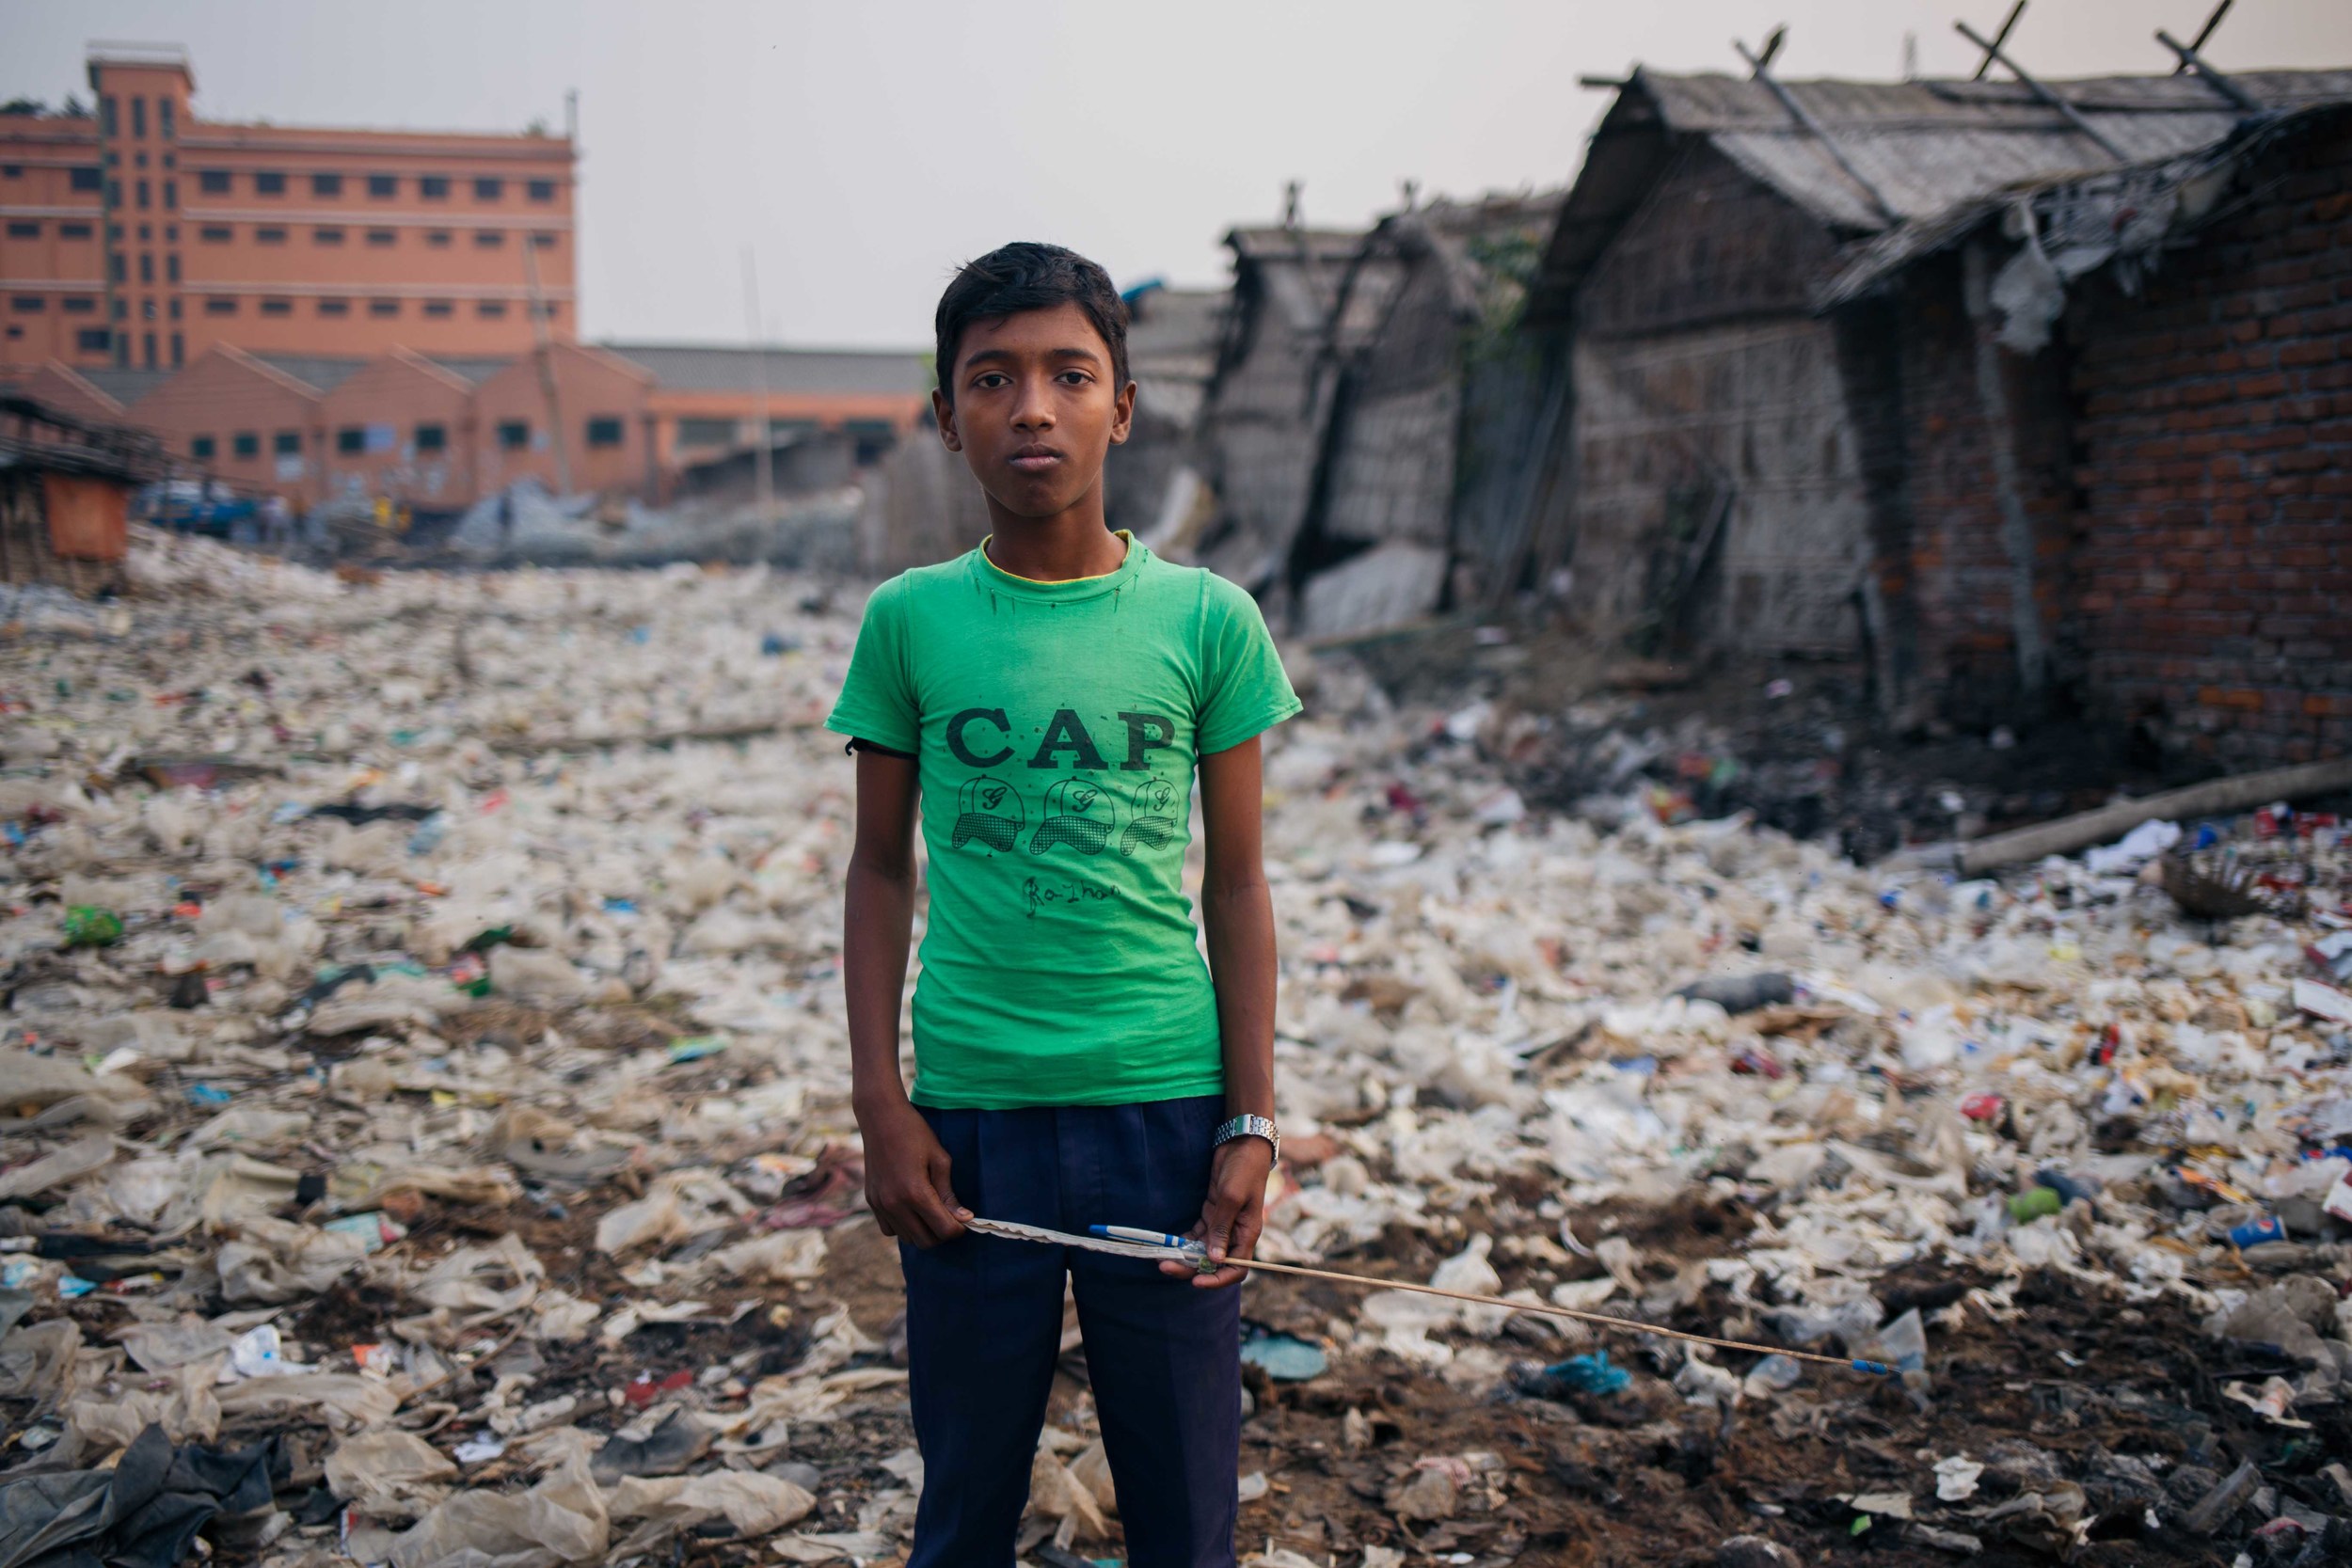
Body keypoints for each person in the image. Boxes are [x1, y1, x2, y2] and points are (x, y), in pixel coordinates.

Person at [826, 243, 1298, 1566]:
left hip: (1164, 1109)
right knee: (967, 1496)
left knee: (1186, 1514)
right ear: (946, 416)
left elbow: (1241, 882)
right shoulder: (912, 621)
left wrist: (1251, 1120)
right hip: (971, 1119)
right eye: (993, 378)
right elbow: (878, 871)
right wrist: (883, 1103)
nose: (1032, 407)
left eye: (1067, 375)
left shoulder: (1206, 621)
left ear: (1123, 407)